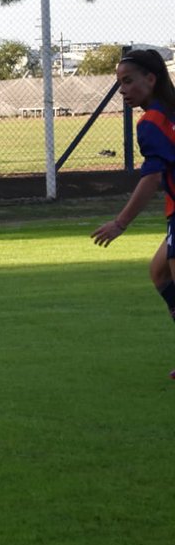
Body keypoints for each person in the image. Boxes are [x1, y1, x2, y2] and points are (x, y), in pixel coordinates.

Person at [91, 48, 175, 375]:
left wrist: (120, 223)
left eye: (128, 82)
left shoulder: (151, 122)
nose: (123, 90)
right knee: (160, 272)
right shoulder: (169, 112)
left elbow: (153, 176)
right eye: (119, 84)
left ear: (151, 79)